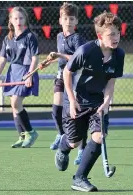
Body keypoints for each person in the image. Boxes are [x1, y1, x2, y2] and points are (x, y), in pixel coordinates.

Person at [54, 11, 125, 192]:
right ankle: (64, 146)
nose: (116, 37)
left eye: (117, 32)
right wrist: (70, 99)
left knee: (99, 137)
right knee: (75, 142)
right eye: (111, 34)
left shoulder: (119, 55)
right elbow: (67, 73)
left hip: (97, 102)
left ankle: (79, 178)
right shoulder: (86, 50)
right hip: (76, 100)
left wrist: (107, 102)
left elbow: (111, 81)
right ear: (100, 36)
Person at [43, 3, 87, 165]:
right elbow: (59, 58)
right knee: (56, 110)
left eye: (72, 18)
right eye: (65, 18)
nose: (68, 21)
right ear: (60, 20)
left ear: (76, 22)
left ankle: (81, 150)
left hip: (75, 79)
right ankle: (61, 134)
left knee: (77, 115)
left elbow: (78, 59)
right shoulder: (59, 36)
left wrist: (59, 55)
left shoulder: (77, 39)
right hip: (61, 76)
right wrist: (47, 61)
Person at [0, 7, 39, 148]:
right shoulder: (8, 38)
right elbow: (2, 60)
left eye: (21, 18)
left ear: (25, 20)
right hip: (13, 72)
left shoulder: (30, 37)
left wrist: (29, 75)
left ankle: (31, 132)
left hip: (26, 71)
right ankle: (22, 135)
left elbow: (35, 58)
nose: (18, 21)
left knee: (16, 103)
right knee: (14, 106)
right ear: (11, 21)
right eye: (16, 18)